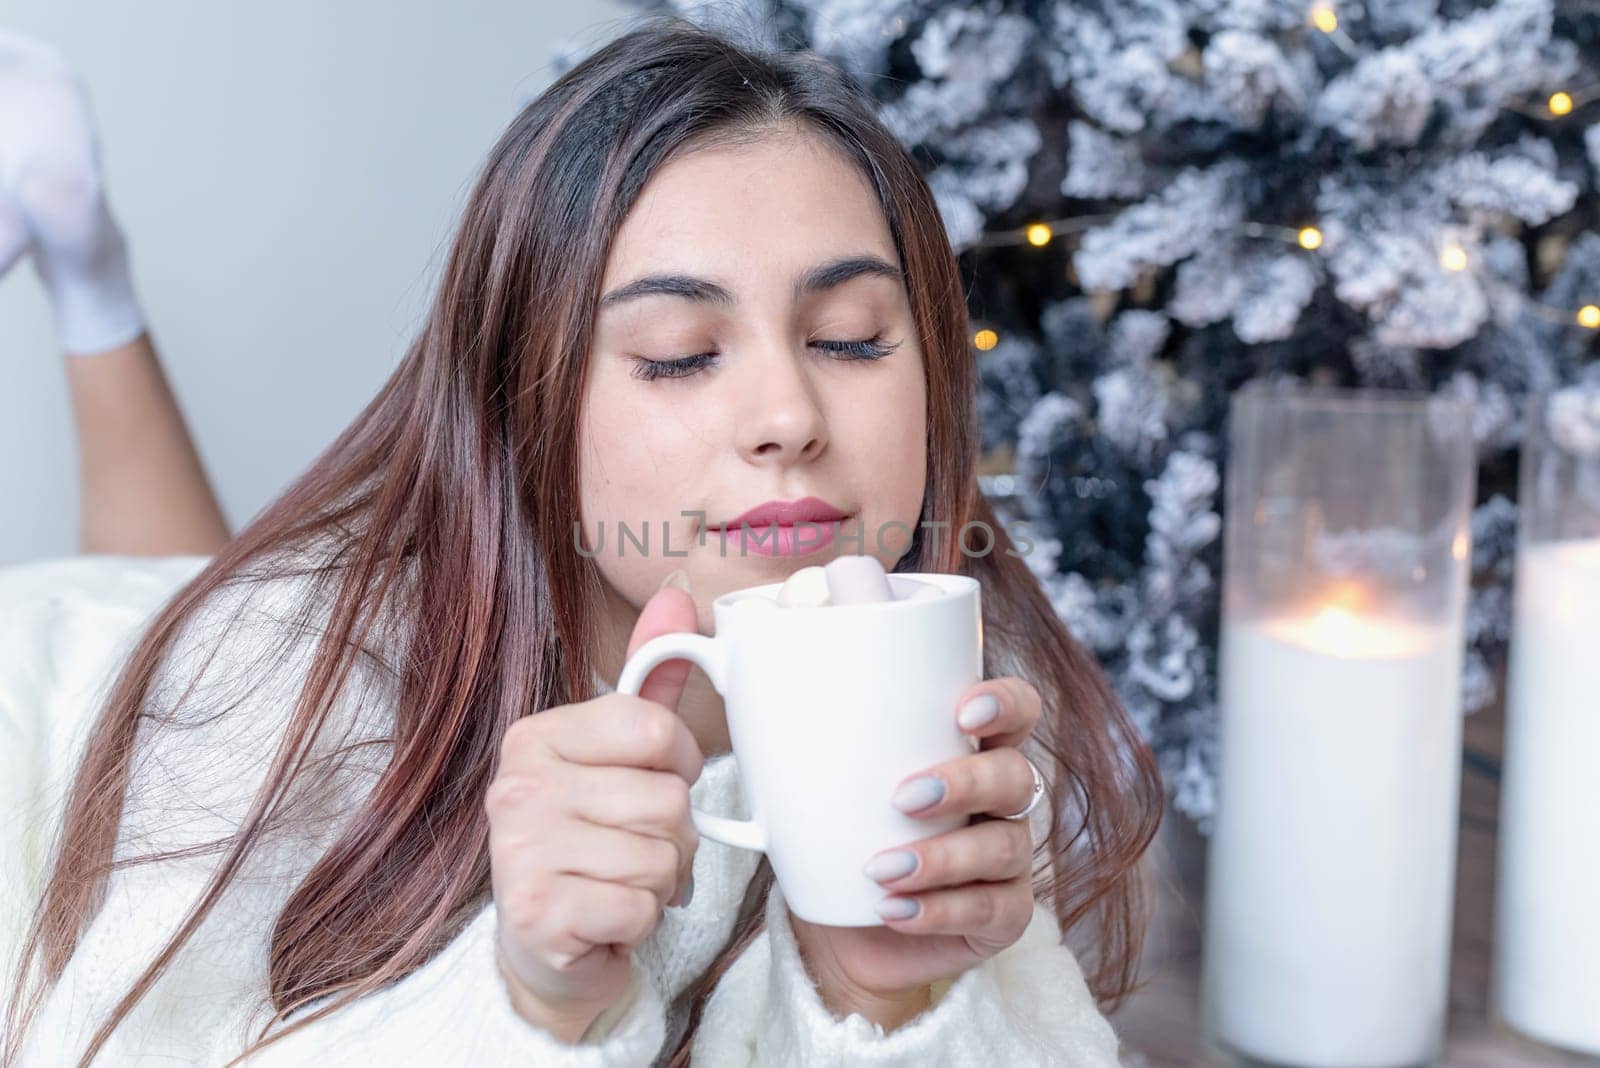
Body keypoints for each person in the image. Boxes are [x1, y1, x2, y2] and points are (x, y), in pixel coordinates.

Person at [0, 15, 1164, 1066]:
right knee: (182, 597)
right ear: (527, 404)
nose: (789, 420)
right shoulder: (278, 670)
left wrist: (887, 1005)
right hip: (65, 667)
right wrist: (527, 1006)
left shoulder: (960, 699)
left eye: (853, 340)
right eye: (675, 354)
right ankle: (87, 270)